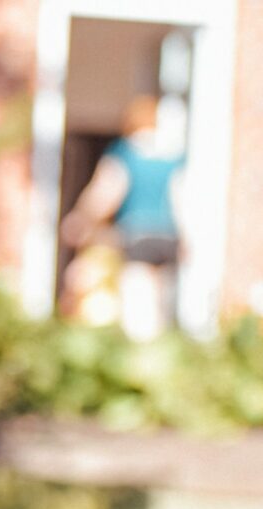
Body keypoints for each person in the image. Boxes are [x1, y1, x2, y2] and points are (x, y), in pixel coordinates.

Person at [60, 95, 186, 341]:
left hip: (137, 231)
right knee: (162, 299)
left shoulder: (126, 153)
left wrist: (83, 218)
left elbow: (107, 191)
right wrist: (185, 236)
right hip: (168, 234)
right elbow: (180, 197)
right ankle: (160, 344)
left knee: (138, 297)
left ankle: (140, 347)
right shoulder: (173, 156)